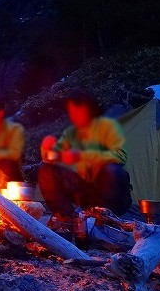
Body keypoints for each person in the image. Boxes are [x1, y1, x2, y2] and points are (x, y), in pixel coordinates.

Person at [38, 90, 132, 222]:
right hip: (81, 189)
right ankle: (66, 218)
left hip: (107, 189)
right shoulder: (70, 133)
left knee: (112, 170)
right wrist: (47, 152)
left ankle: (106, 220)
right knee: (46, 169)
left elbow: (121, 156)